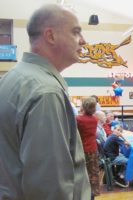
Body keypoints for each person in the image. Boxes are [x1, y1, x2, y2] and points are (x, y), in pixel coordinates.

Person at [0, 4, 90, 200]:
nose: (83, 41)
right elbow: (49, 186)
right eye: (76, 32)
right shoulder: (46, 92)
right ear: (50, 36)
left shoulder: (9, 79)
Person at [76, 97, 100, 199]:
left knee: (82, 175)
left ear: (83, 106)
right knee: (93, 175)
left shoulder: (78, 119)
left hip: (82, 150)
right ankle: (92, 196)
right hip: (93, 150)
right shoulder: (95, 119)